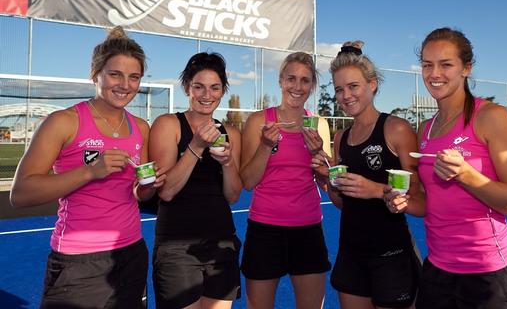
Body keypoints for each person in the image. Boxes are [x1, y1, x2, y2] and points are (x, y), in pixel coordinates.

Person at [10, 26, 164, 309]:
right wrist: (90, 171)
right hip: (77, 260)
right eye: (115, 74)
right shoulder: (63, 122)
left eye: (134, 77)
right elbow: (20, 194)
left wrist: (149, 187)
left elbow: (138, 194)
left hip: (131, 252)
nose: (125, 85)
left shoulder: (141, 127)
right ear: (96, 74)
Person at [385, 27, 507, 309]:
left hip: (491, 277)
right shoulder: (425, 130)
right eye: (427, 65)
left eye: (446, 64)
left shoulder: (492, 117)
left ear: (466, 68)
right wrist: (403, 202)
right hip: (438, 273)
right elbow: (429, 203)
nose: (435, 73)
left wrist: (465, 175)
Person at [311, 41, 423, 309]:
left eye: (353, 86)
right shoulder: (340, 138)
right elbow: (343, 203)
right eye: (339, 90)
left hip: (392, 254)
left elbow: (419, 196)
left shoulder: (396, 129)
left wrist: (375, 189)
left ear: (372, 84)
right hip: (351, 254)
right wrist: (328, 182)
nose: (345, 95)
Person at [149, 52, 243, 309]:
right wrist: (196, 146)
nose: (206, 95)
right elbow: (166, 192)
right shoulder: (168, 125)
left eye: (214, 87)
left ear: (223, 90)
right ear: (186, 88)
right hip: (177, 245)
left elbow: (234, 196)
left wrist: (228, 164)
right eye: (198, 86)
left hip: (221, 243)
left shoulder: (231, 133)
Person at [240, 52, 331, 309]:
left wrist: (318, 156)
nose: (297, 86)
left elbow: (327, 183)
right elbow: (248, 181)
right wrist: (266, 146)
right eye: (291, 78)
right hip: (265, 229)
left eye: (305, 80)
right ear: (280, 81)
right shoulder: (259, 121)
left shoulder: (319, 124)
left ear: (312, 86)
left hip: (308, 229)